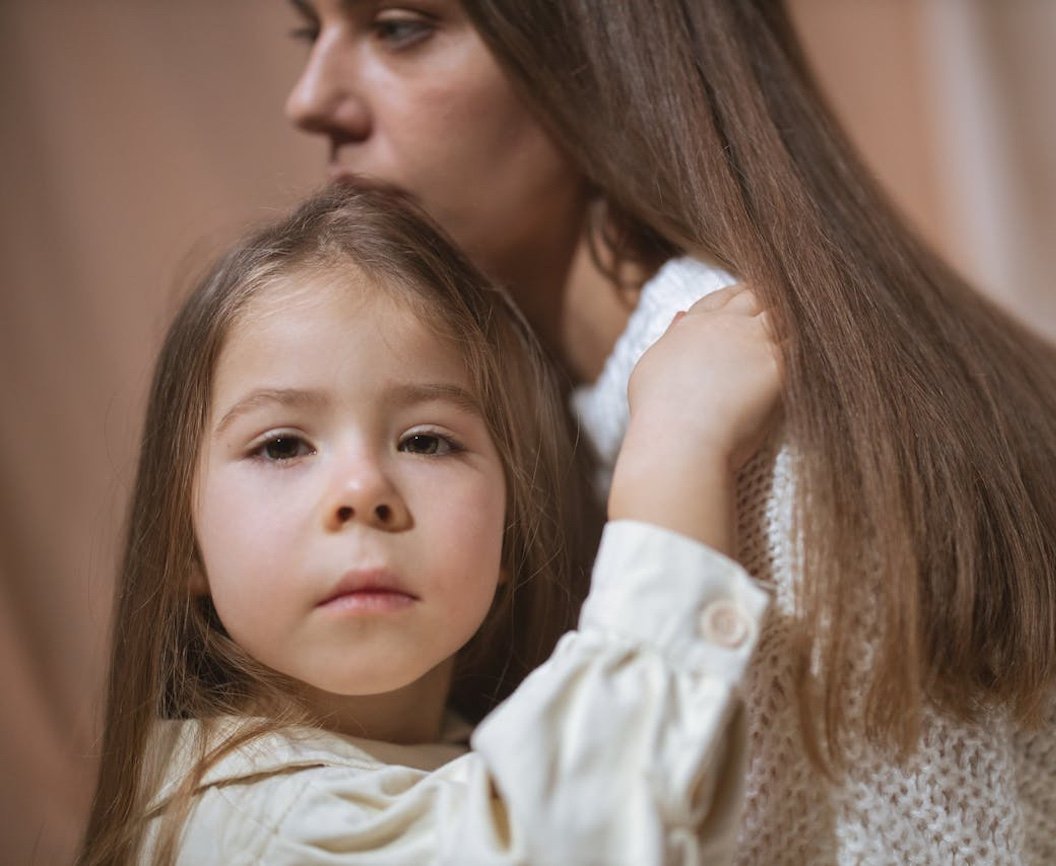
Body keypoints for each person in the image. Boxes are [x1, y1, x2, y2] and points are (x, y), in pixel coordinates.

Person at [281, 1, 1056, 862]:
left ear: (593, 50)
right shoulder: (588, 418)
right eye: (307, 29)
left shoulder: (765, 447)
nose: (310, 99)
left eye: (399, 26)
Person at [77, 186, 782, 865]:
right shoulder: (237, 825)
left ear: (509, 527)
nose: (362, 491)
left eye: (426, 441)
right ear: (183, 542)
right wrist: (678, 444)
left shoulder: (460, 758)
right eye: (283, 445)